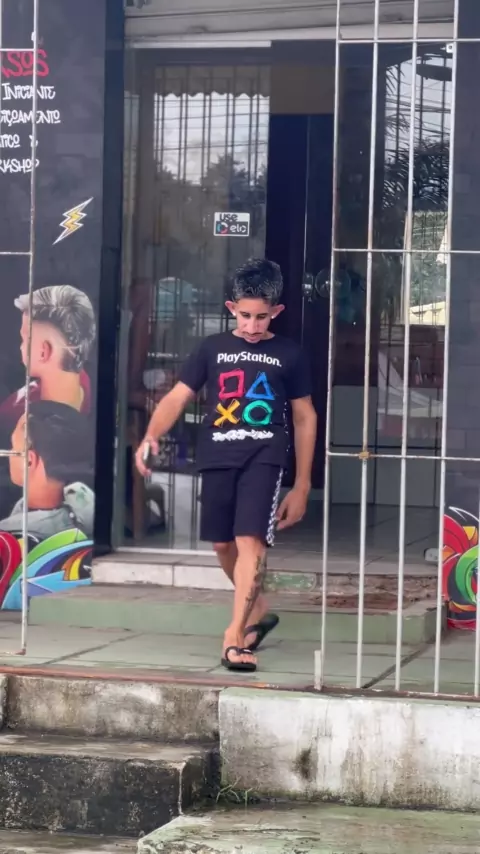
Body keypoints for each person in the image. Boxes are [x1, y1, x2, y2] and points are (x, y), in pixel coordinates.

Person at [136, 258, 317, 673]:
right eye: (245, 316)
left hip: (265, 456)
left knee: (250, 539)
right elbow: (177, 397)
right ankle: (259, 610)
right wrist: (151, 435)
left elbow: (305, 417)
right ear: (231, 308)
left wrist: (302, 484)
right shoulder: (211, 348)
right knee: (222, 545)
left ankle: (235, 636)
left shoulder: (289, 354)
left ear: (276, 312)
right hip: (217, 454)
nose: (252, 326)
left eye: (262, 317)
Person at [0, 285, 96, 427]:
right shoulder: (88, 382)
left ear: (43, 352)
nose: (20, 346)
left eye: (23, 339)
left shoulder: (15, 417)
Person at [0, 400, 94, 539]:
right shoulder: (85, 501)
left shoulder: (10, 537)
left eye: (13, 447)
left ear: (29, 461)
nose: (9, 454)